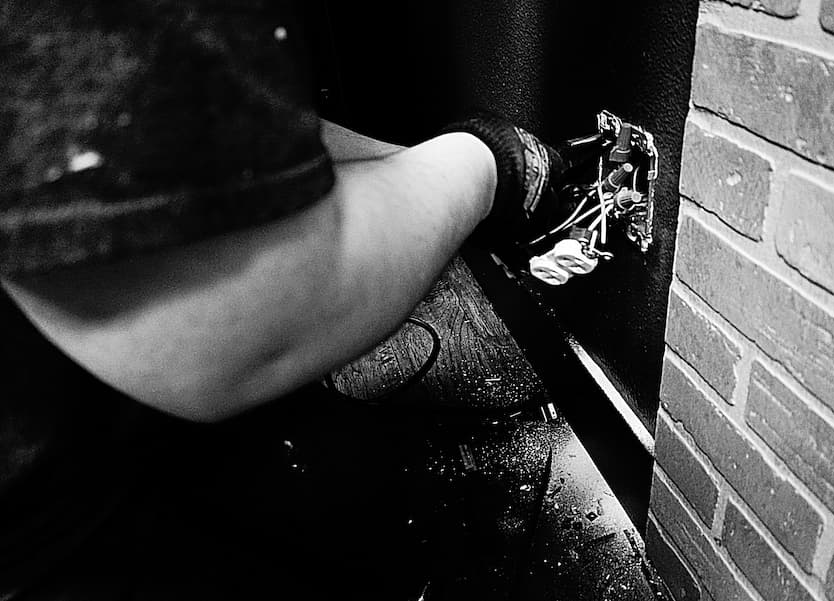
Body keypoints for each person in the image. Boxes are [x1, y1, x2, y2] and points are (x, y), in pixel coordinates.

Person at [0, 1, 569, 599]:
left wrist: (406, 163)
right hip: (49, 541)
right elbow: (227, 330)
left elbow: (198, 121)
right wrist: (489, 165)